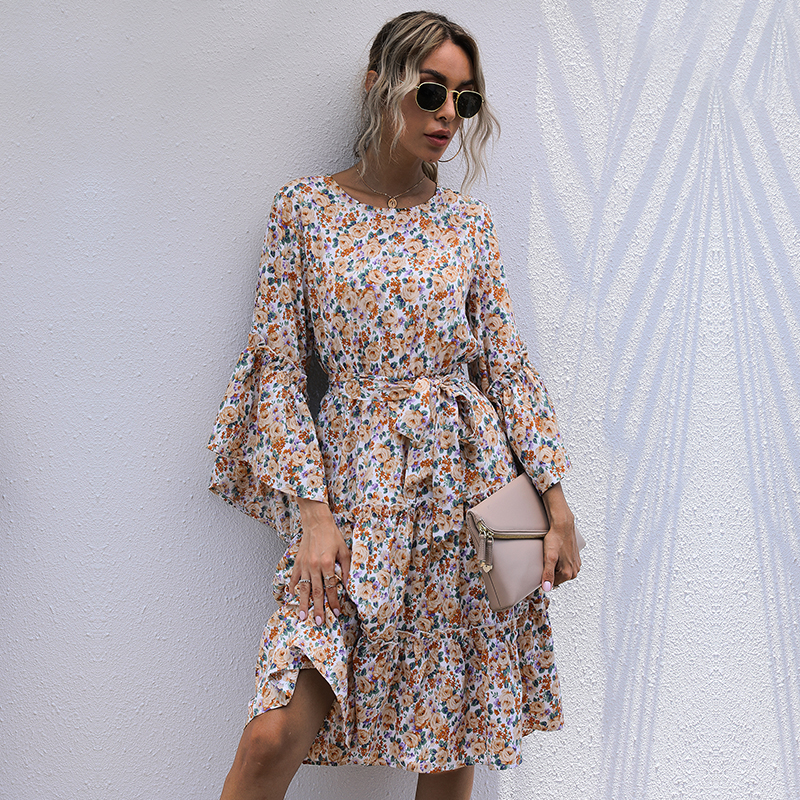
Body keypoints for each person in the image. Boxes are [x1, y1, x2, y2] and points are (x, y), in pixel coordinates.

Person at [207, 11, 581, 800]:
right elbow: (279, 369)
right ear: (379, 85)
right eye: (431, 91)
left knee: (457, 730)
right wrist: (313, 516)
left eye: (465, 101)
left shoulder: (467, 223)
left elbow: (505, 364)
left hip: (480, 486)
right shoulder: (303, 210)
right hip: (356, 486)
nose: (448, 115)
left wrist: (554, 504)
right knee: (273, 735)